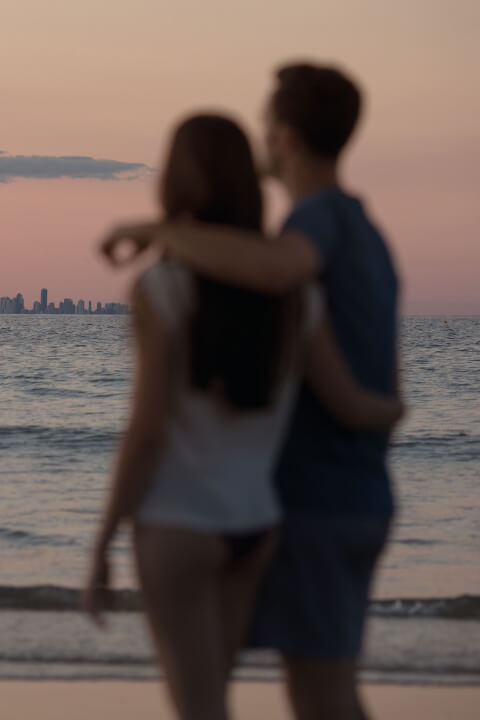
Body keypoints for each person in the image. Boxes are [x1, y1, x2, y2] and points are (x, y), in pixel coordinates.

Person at [100, 63, 400, 720]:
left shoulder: (310, 232)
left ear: (285, 135)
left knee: (300, 699)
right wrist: (390, 410)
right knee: (323, 692)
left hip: (301, 502)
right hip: (303, 509)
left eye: (270, 123)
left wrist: (155, 233)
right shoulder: (359, 243)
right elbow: (360, 388)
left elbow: (275, 270)